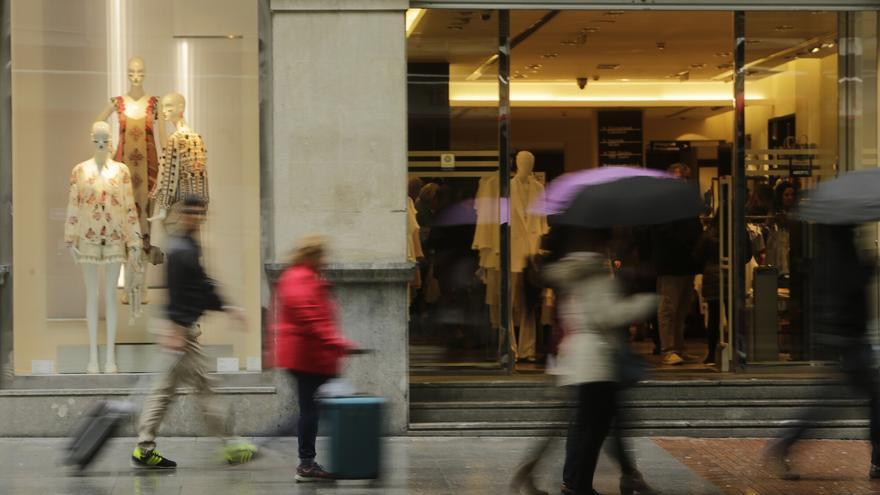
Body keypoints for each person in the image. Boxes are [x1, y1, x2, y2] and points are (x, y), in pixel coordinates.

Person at [131, 196, 256, 469]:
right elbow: (177, 290)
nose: (197, 216)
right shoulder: (181, 249)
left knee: (163, 391)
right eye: (192, 211)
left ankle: (144, 447)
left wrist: (227, 307)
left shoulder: (187, 244)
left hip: (178, 328)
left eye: (201, 211)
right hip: (181, 332)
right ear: (181, 213)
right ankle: (230, 444)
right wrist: (176, 327)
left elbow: (200, 286)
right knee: (207, 386)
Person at [543, 229, 656, 495]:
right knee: (595, 427)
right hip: (595, 359)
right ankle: (581, 484)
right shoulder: (593, 274)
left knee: (591, 425)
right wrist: (643, 303)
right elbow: (606, 315)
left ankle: (581, 482)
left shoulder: (575, 272)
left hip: (581, 358)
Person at [765, 223, 880, 480]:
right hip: (848, 336)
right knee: (863, 396)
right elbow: (850, 287)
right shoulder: (841, 252)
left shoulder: (830, 250)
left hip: (845, 335)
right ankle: (787, 441)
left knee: (845, 398)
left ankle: (787, 441)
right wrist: (868, 267)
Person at [269, 235, 355, 482]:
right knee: (311, 410)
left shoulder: (304, 277)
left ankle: (306, 460)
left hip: (312, 356)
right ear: (310, 256)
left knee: (315, 407)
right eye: (320, 256)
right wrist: (338, 343)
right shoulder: (299, 279)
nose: (324, 261)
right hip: (306, 357)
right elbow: (310, 318)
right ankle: (303, 462)